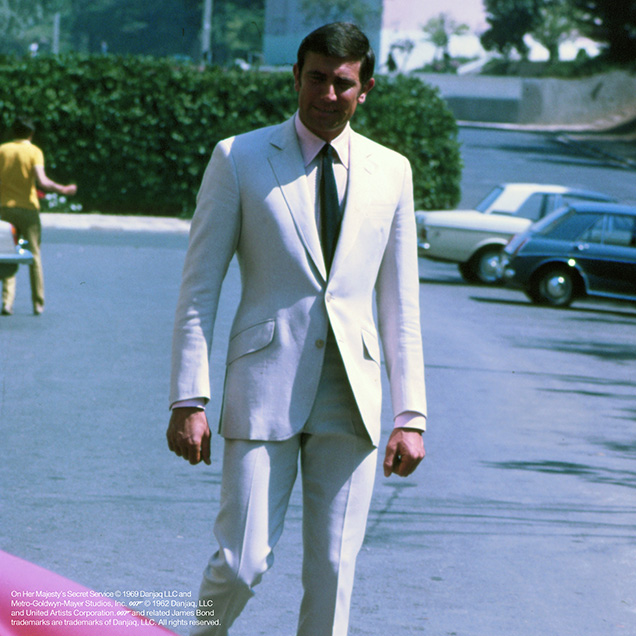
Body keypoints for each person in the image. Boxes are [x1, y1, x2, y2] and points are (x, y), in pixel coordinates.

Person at [166, 22, 427, 636]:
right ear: (296, 77)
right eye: (316, 79)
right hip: (264, 387)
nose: (327, 95)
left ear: (365, 89)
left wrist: (411, 415)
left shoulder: (393, 172)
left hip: (352, 398)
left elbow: (402, 306)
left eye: (343, 83)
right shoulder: (240, 157)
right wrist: (188, 397)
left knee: (335, 571)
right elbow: (198, 290)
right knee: (240, 563)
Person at [0, 116, 77, 315]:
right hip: (28, 210)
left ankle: (7, 303)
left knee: (7, 254)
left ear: (13, 132)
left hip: (5, 210)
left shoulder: (3, 150)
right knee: (34, 255)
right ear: (31, 134)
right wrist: (63, 189)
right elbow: (42, 181)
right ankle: (38, 303)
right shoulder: (34, 152)